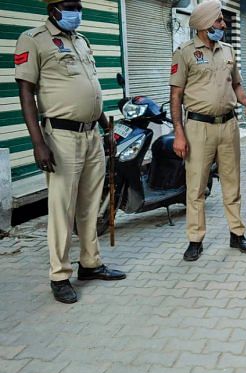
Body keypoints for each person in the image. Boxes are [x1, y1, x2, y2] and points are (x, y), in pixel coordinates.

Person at [14, 0, 126, 304]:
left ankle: (90, 264)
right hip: (60, 136)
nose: (77, 10)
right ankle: (59, 275)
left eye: (78, 5)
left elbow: (90, 88)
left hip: (91, 134)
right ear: (53, 7)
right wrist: (38, 142)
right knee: (62, 209)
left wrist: (105, 128)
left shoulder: (81, 40)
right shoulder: (33, 39)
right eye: (69, 5)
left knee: (91, 205)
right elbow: (26, 92)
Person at [170, 0, 246, 261]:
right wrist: (179, 132)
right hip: (197, 128)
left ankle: (236, 234)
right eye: (219, 20)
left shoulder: (228, 50)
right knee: (195, 186)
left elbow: (237, 85)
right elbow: (176, 95)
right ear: (206, 25)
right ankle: (195, 240)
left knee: (232, 183)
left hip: (228, 126)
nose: (223, 24)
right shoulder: (185, 53)